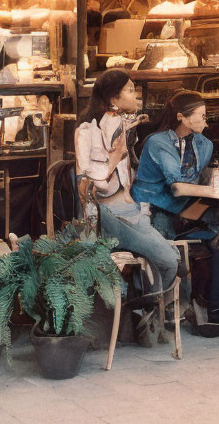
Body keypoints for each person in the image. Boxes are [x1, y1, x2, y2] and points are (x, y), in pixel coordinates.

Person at [131, 90, 219, 328]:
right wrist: (214, 191)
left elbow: (195, 182)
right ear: (182, 117)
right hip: (153, 209)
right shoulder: (157, 142)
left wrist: (211, 189)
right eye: (200, 115)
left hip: (185, 210)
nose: (206, 120)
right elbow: (177, 186)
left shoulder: (204, 144)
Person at [75, 70, 181, 294]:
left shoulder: (122, 127)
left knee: (171, 260)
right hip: (106, 219)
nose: (137, 97)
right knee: (166, 261)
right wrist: (112, 161)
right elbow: (86, 189)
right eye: (131, 91)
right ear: (114, 99)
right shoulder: (87, 131)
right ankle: (136, 312)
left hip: (134, 214)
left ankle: (147, 311)